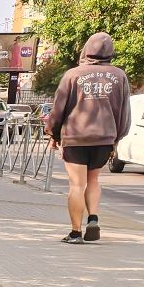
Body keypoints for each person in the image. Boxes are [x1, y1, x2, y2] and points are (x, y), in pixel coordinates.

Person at [45, 32, 131, 243]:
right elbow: (124, 111)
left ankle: (75, 233)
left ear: (86, 49)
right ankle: (93, 218)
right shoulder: (119, 76)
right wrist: (116, 137)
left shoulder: (72, 75)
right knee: (93, 180)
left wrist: (53, 133)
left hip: (76, 137)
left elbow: (58, 108)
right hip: (104, 138)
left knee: (77, 185)